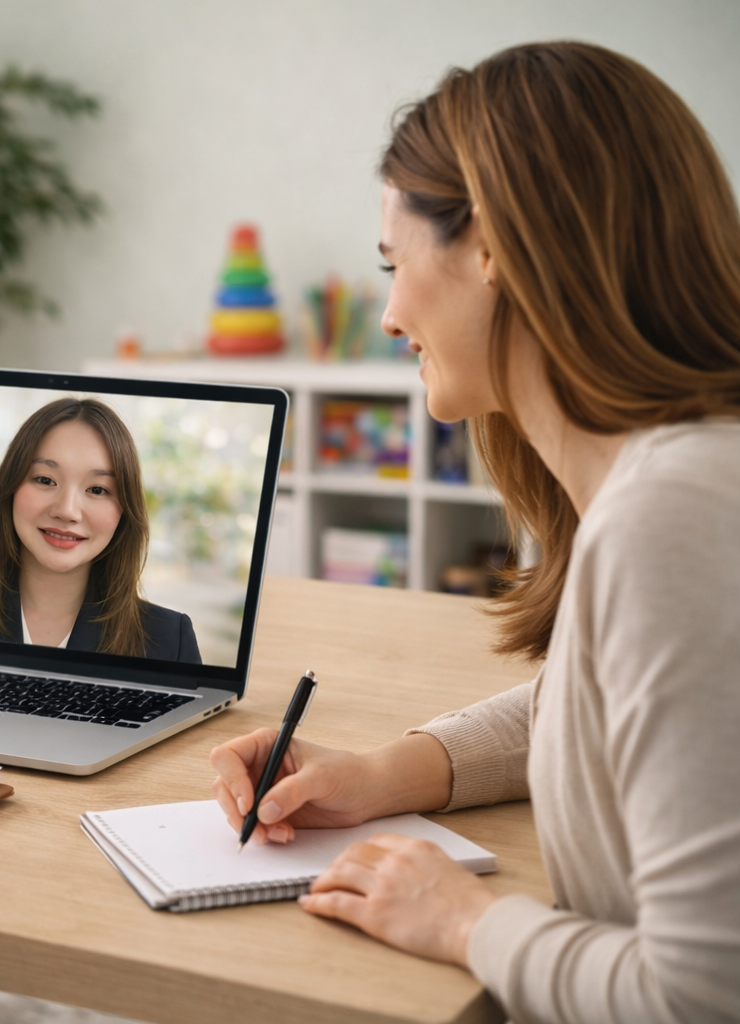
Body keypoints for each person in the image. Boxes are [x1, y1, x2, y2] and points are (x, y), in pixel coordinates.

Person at [210, 42, 740, 1023]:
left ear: (491, 245)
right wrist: (380, 775)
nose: (391, 311)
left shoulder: (674, 515)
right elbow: (592, 709)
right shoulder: (675, 477)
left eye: (394, 264)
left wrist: (464, 920)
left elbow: (701, 994)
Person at [0, 397, 201, 662]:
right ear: (11, 487)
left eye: (97, 489)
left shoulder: (169, 641)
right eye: (45, 480)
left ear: (125, 510)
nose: (67, 511)